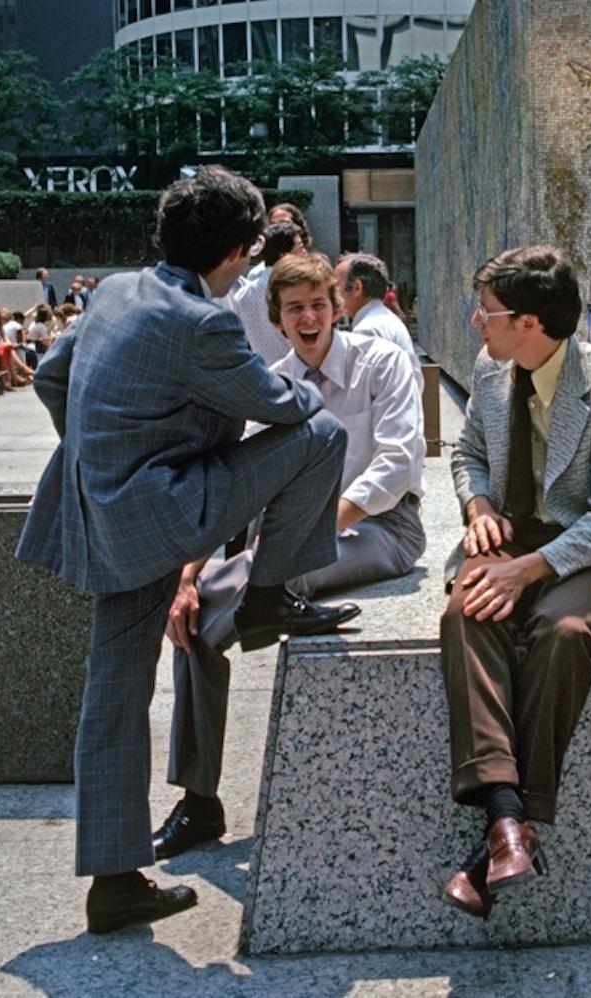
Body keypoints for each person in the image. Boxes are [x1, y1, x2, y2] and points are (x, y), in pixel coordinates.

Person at [15, 166, 360, 937]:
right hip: (161, 512)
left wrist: (100, 457)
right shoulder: (199, 323)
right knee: (322, 436)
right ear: (238, 253)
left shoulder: (113, 290)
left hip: (101, 512)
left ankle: (113, 881)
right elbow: (285, 407)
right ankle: (269, 594)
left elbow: (49, 376)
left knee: (112, 693)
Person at [154, 251, 427, 859]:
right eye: (295, 308)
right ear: (276, 319)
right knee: (194, 620)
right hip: (291, 541)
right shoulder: (272, 381)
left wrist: (309, 531)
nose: (309, 318)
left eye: (319, 305)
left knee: (253, 580)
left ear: (338, 307)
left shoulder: (379, 361)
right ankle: (200, 801)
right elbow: (234, 483)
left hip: (385, 529)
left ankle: (199, 803)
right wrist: (189, 574)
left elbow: (398, 461)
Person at [438, 245, 591, 919]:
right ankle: (510, 823)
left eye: (488, 312)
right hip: (509, 533)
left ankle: (509, 829)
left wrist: (531, 569)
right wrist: (477, 506)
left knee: (563, 630)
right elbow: (468, 453)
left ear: (530, 323)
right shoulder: (490, 368)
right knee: (464, 613)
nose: (478, 323)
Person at [226, 220, 308, 365]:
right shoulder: (297, 289)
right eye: (300, 247)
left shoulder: (243, 294)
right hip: (301, 372)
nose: (305, 253)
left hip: (264, 373)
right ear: (284, 255)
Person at [334, 253, 418, 360]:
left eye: (336, 285)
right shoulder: (385, 319)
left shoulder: (367, 330)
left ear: (357, 288)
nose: (332, 292)